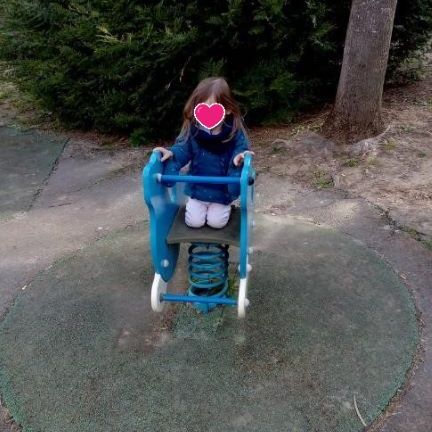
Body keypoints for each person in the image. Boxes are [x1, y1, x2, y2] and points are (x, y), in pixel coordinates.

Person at [153, 77, 253, 229]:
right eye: (201, 106)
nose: (207, 112)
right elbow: (182, 148)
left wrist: (240, 156)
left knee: (216, 223)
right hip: (198, 189)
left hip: (221, 191)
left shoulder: (233, 132)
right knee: (194, 222)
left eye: (212, 107)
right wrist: (172, 153)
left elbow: (241, 148)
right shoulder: (193, 131)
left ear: (228, 109)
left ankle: (223, 209)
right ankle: (201, 209)